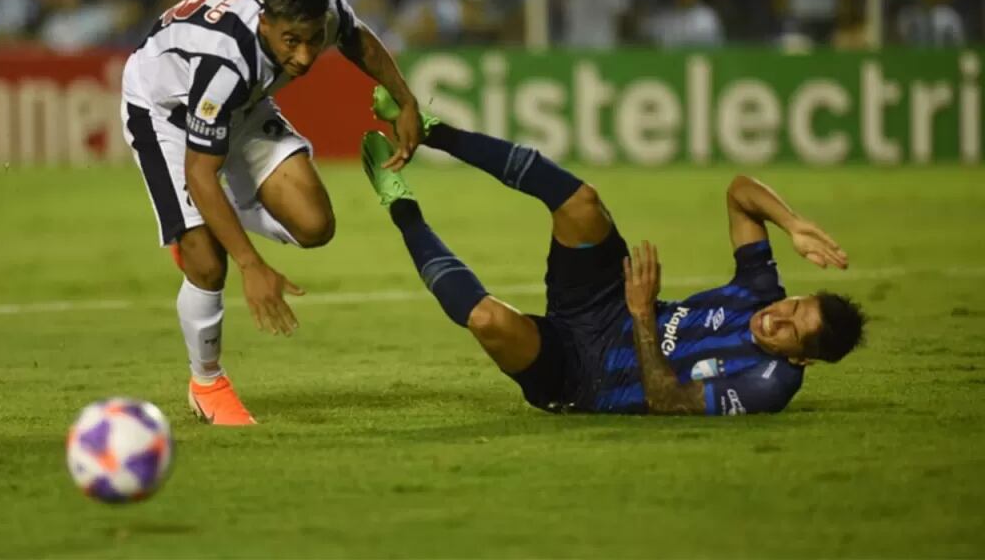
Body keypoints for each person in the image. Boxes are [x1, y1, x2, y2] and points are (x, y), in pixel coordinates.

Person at [361, 89, 866, 415]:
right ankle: (430, 131)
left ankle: (400, 204)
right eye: (792, 306)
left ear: (805, 360)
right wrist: (793, 224)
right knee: (580, 203)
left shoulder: (767, 385)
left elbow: (665, 400)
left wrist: (644, 315)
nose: (776, 318)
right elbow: (739, 191)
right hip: (605, 300)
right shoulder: (761, 293)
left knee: (489, 320)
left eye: (791, 331)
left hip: (581, 377)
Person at [121, 0, 423, 425]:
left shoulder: (321, 7)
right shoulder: (226, 61)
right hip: (167, 112)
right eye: (291, 42)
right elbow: (201, 172)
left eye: (313, 40)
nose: (304, 57)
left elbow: (356, 36)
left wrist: (404, 98)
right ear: (265, 23)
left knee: (314, 225)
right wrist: (251, 264)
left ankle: (204, 217)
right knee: (206, 259)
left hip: (243, 106)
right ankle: (207, 384)